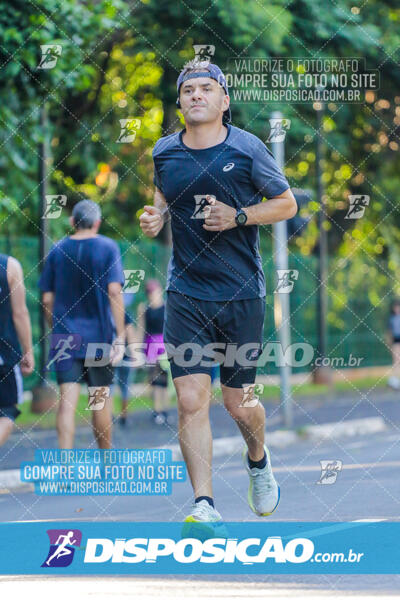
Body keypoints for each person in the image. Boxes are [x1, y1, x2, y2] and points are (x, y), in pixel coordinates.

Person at [139, 60, 297, 525]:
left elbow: (286, 203)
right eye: (188, 90)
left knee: (238, 402)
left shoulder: (247, 147)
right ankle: (204, 504)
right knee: (190, 399)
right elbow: (163, 202)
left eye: (207, 88)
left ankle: (257, 458)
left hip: (240, 291)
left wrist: (240, 216)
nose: (196, 95)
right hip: (186, 291)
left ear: (224, 100)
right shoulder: (164, 152)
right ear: (180, 102)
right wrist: (155, 218)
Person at [39, 199, 126, 449]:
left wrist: (54, 326)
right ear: (97, 223)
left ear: (71, 222)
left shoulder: (57, 250)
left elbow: (46, 298)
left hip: (65, 336)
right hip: (98, 337)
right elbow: (114, 292)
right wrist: (119, 335)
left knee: (66, 403)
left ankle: (65, 465)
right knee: (99, 399)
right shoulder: (108, 247)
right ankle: (107, 462)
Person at [0, 254, 34, 446]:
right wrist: (27, 350)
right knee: (6, 412)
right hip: (4, 355)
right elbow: (20, 313)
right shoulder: (9, 266)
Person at [137, 279, 170, 425]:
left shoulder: (167, 306)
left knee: (165, 380)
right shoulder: (143, 307)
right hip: (150, 347)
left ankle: (164, 410)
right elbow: (140, 329)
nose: (152, 294)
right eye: (149, 292)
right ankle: (157, 410)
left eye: (154, 291)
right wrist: (137, 350)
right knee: (155, 380)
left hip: (165, 345)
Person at [113, 310, 136, 426]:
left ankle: (107, 415)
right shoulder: (123, 312)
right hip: (124, 354)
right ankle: (124, 416)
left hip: (108, 354)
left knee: (108, 387)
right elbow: (130, 332)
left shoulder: (102, 309)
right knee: (125, 387)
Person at [386, 299, 400, 390]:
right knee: (396, 361)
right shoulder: (391, 319)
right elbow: (389, 333)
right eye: (396, 307)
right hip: (396, 341)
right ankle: (394, 380)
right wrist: (389, 344)